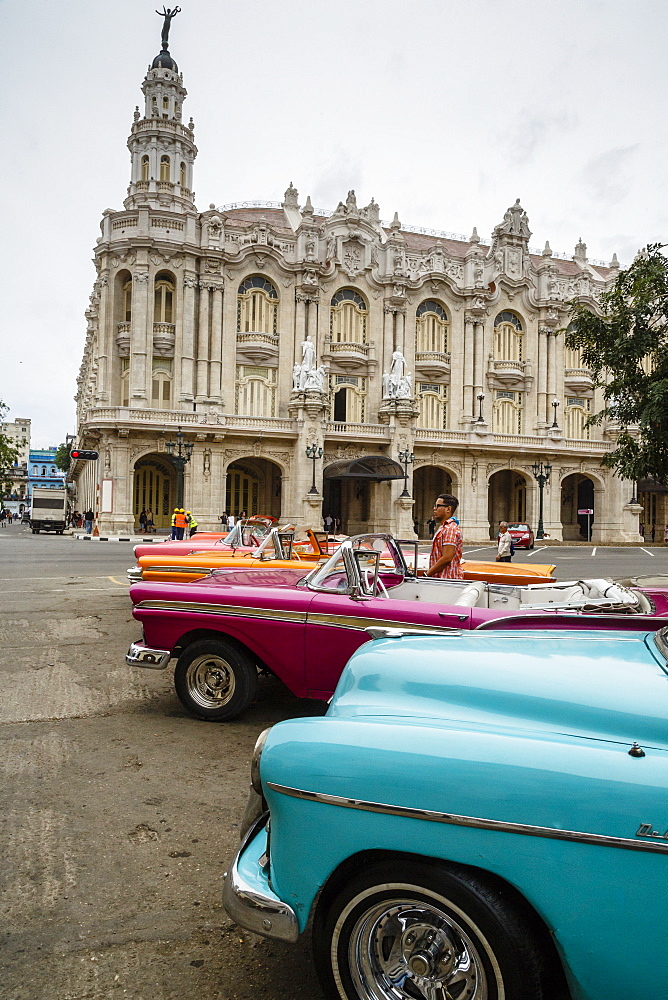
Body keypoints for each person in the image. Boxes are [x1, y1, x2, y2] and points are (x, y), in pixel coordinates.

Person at [426, 494, 463, 579]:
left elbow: (447, 557)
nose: (434, 508)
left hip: (447, 578)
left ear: (448, 509)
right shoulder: (444, 527)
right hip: (442, 577)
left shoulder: (450, 529)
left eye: (437, 506)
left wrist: (427, 574)